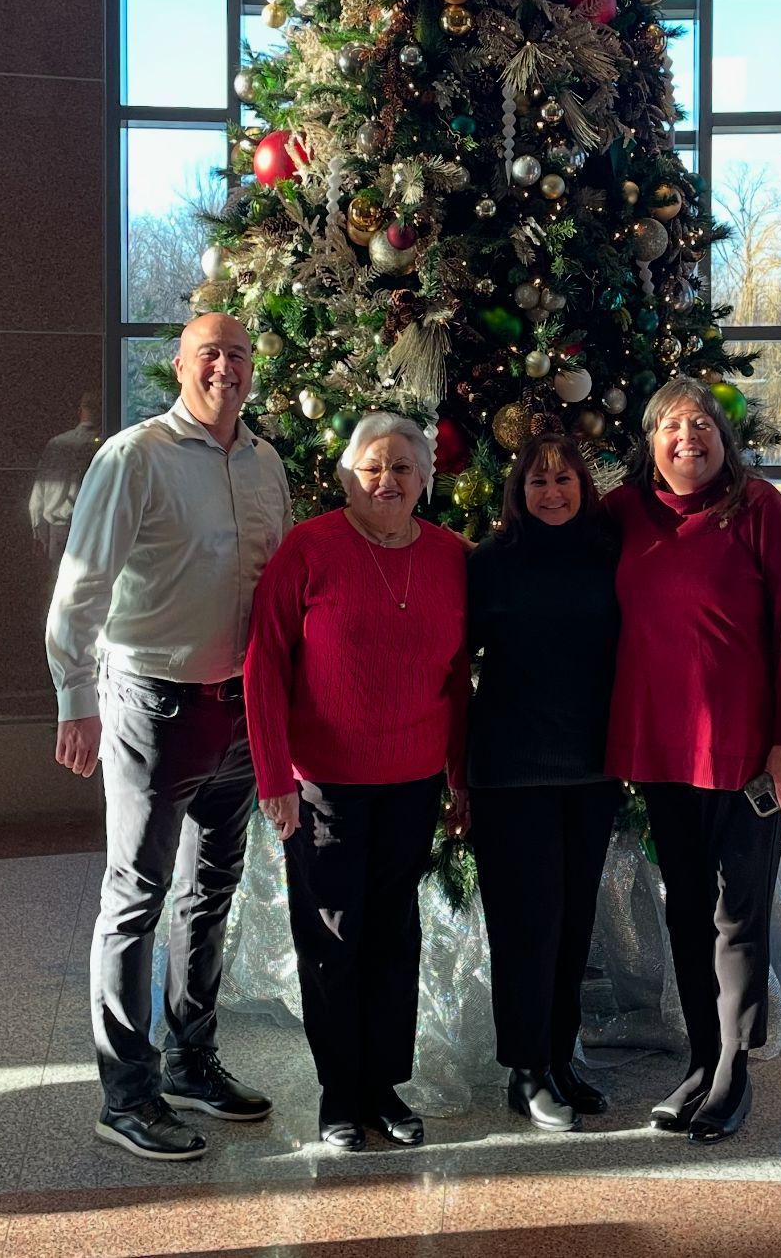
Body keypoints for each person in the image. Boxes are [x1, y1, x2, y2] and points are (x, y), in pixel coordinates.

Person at [45, 314, 293, 1162]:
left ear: (254, 368)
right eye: (209, 353)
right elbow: (82, 582)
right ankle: (126, 1094)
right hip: (155, 708)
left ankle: (191, 1061)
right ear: (181, 365)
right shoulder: (135, 456)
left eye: (239, 353)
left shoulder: (266, 464)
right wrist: (75, 696)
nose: (226, 366)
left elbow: (281, 587)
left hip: (238, 713)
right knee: (135, 897)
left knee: (208, 894)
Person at [605, 376, 781, 1142]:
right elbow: (555, 548)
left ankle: (734, 1068)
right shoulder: (625, 514)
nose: (687, 438)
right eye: (672, 426)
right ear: (651, 442)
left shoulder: (757, 508)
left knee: (739, 914)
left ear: (725, 441)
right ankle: (701, 1059)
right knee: (688, 909)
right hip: (663, 750)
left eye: (702, 425)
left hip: (747, 758)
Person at [244, 412, 470, 1152]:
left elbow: (461, 679)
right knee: (333, 938)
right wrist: (274, 773)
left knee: (393, 935)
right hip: (324, 787)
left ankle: (383, 1087)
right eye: (373, 466)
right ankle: (339, 1093)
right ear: (348, 476)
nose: (388, 480)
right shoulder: (309, 549)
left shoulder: (448, 556)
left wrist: (459, 776)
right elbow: (265, 665)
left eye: (404, 467)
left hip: (412, 781)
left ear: (425, 480)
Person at [467, 431, 621, 1132]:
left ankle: (559, 1058)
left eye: (563, 480)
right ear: (517, 492)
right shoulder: (490, 564)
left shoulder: (607, 556)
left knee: (572, 924)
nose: (552, 492)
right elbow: (447, 662)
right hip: (510, 773)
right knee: (526, 927)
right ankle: (526, 1071)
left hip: (590, 770)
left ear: (583, 487)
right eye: (537, 482)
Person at [29, 390, 102, 565]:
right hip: (95, 530)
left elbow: (38, 493)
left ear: (79, 411)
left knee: (58, 587)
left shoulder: (56, 444)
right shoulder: (109, 444)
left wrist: (38, 533)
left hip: (59, 532)